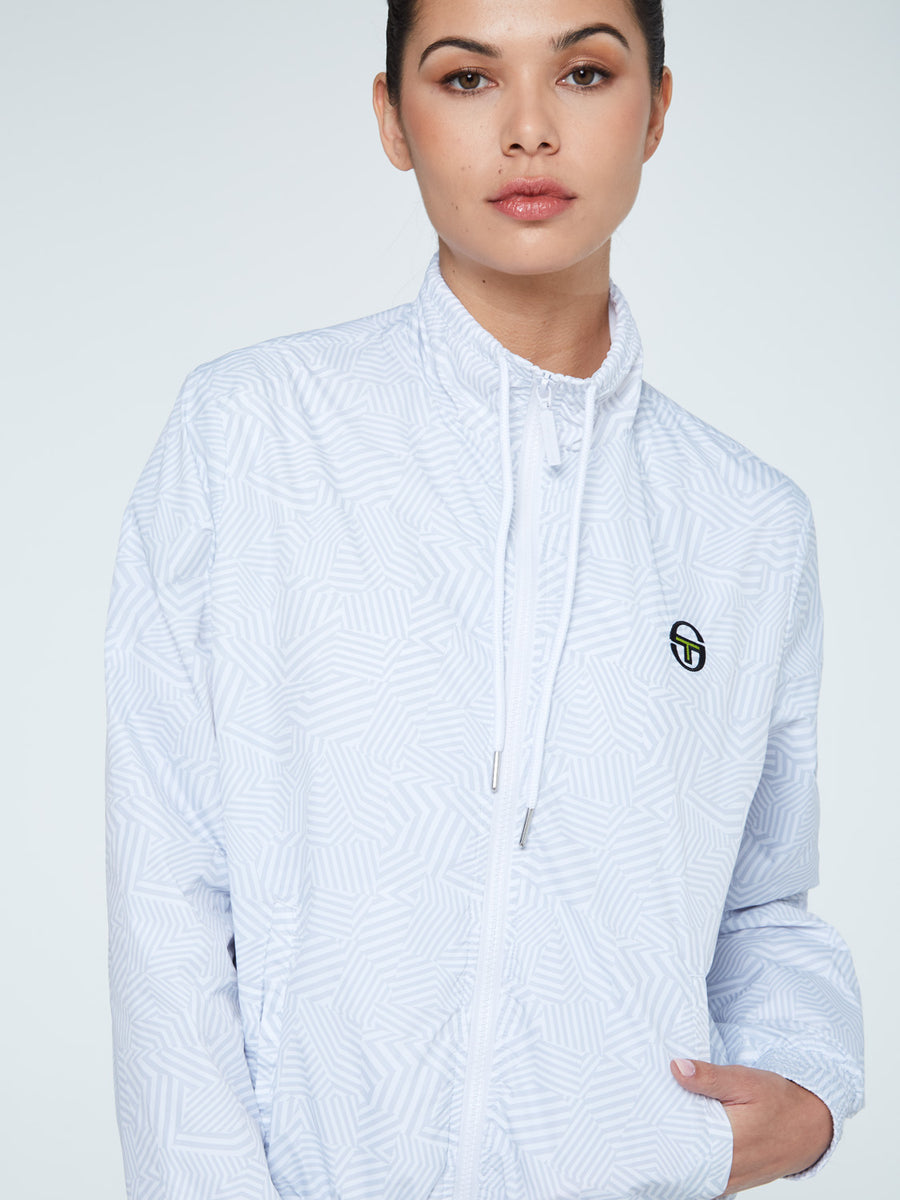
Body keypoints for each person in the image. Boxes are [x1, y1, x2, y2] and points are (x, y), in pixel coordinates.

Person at [104, 1, 864, 1197]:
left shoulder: (746, 523)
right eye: (465, 79)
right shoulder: (254, 433)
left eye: (586, 73)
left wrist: (809, 1087)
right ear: (391, 119)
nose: (528, 129)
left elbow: (760, 898)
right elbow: (168, 890)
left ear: (657, 110)